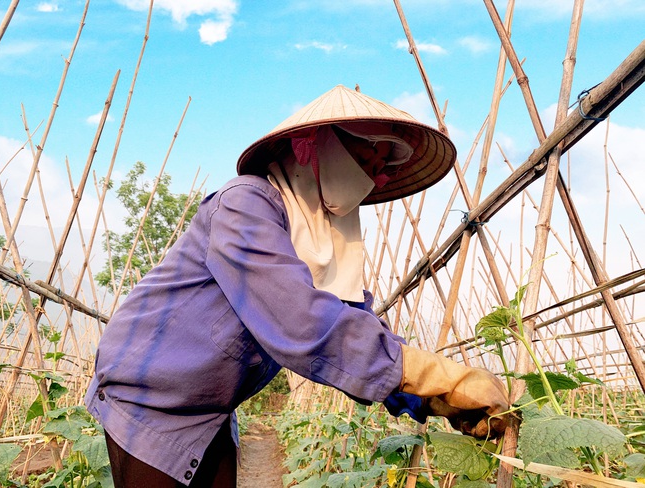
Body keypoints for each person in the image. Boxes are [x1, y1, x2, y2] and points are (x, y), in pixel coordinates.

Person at [85, 84, 509, 488]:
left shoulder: (327, 237)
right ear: (316, 145)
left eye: (381, 169)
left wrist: (434, 399)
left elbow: (353, 329)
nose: (373, 176)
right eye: (367, 157)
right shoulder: (245, 205)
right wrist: (438, 375)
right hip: (148, 395)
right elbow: (302, 323)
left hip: (210, 406)